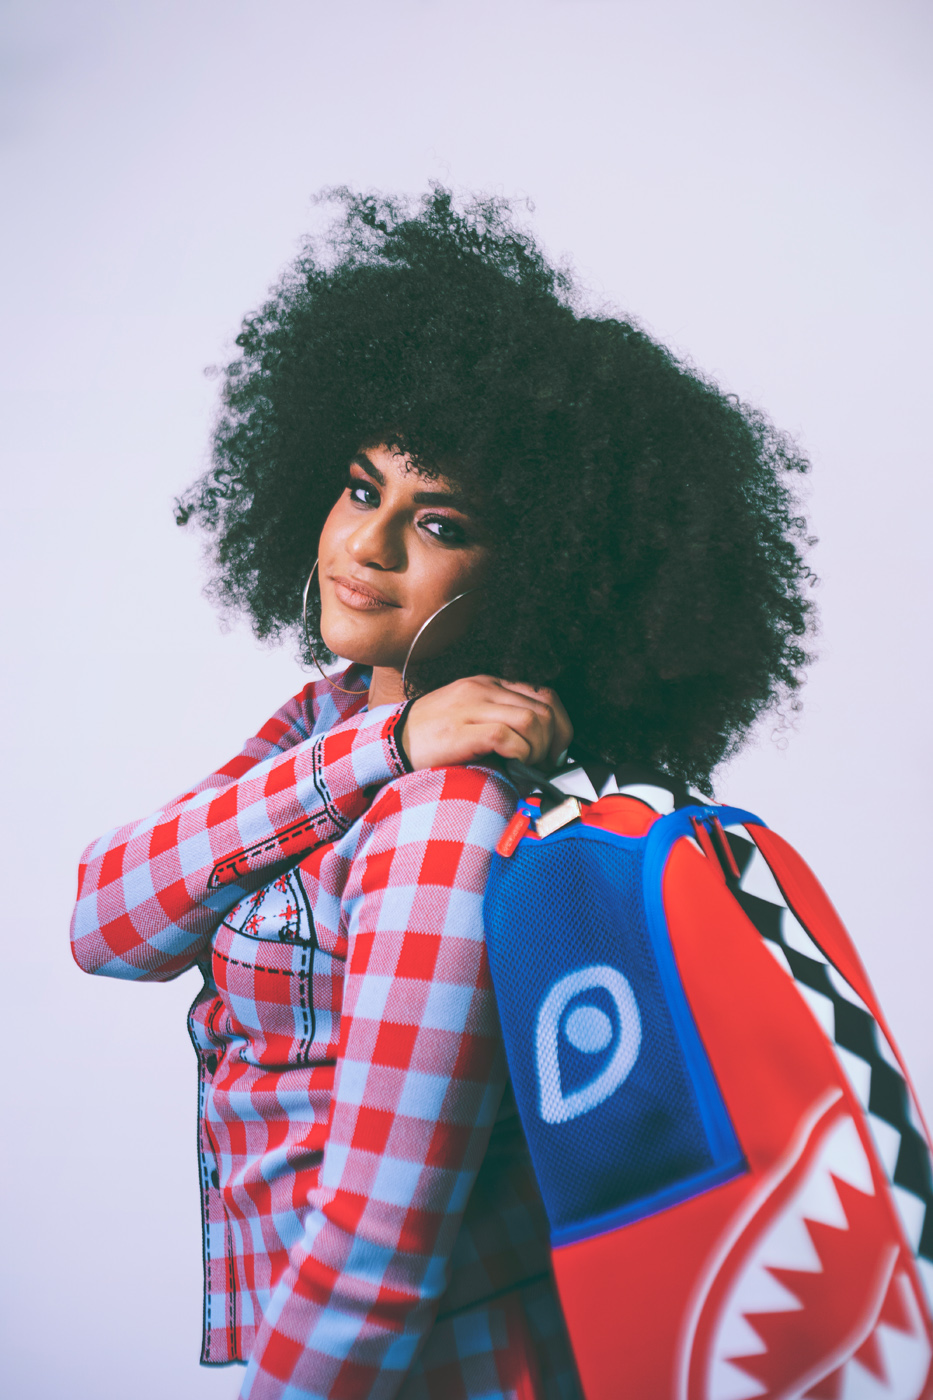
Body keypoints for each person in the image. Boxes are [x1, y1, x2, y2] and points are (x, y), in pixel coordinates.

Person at [69, 188, 813, 1400]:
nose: (368, 547)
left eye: (441, 522)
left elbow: (376, 1257)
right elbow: (105, 923)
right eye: (362, 488)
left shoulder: (443, 817)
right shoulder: (332, 728)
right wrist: (385, 739)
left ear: (540, 572)